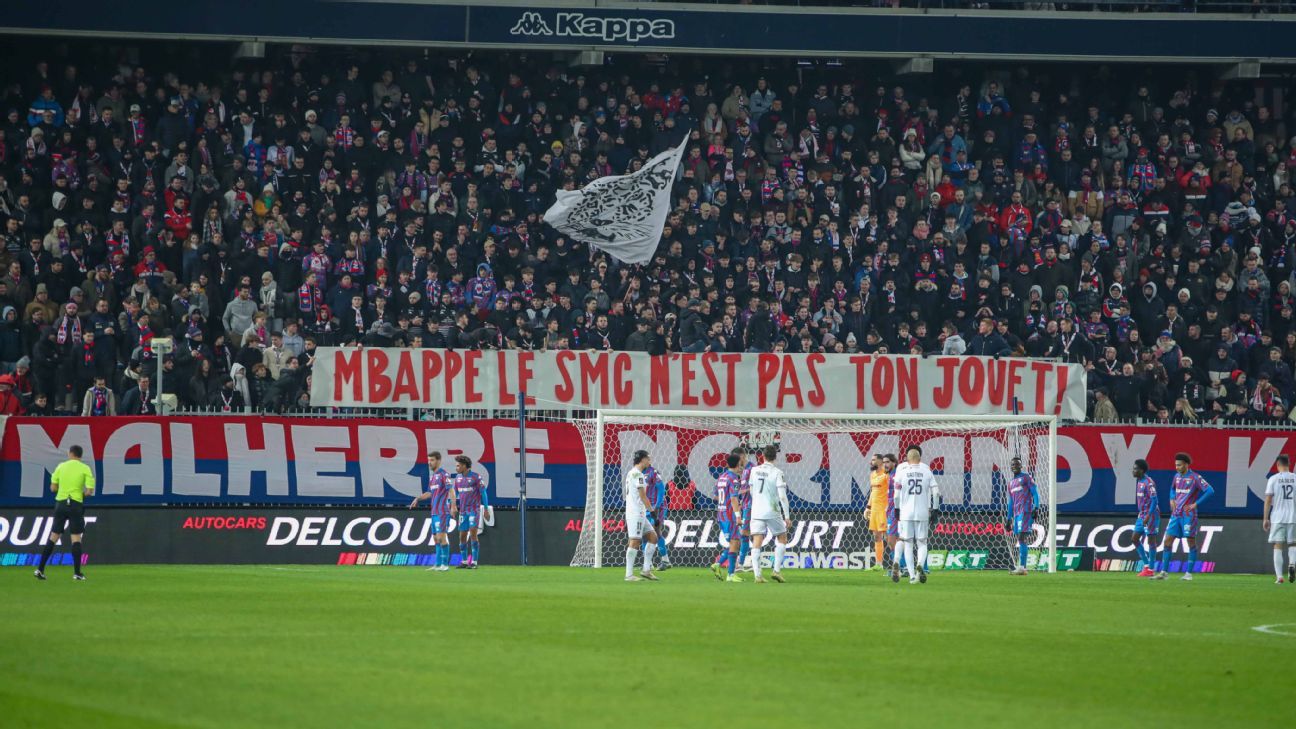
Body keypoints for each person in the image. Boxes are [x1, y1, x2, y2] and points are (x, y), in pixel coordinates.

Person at [35, 445, 95, 581]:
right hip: (75, 504)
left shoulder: (61, 467)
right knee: (76, 538)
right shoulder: (85, 468)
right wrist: (80, 495)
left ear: (70, 453)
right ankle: (77, 573)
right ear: (80, 455)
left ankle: (40, 569)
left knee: (53, 536)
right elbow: (89, 491)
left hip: (61, 504)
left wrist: (63, 491)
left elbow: (52, 488)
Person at [1152, 452, 1214, 581]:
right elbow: (1172, 489)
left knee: (1190, 542)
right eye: (1176, 465)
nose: (1177, 467)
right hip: (1176, 515)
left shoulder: (1195, 477)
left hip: (1188, 515)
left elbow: (1210, 490)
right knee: (1167, 542)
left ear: (1186, 465)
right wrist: (1171, 498)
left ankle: (1189, 574)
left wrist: (1195, 504)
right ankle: (1164, 572)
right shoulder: (1176, 477)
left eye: (1179, 465)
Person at [892, 444, 940, 584]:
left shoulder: (901, 472)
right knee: (922, 542)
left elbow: (896, 495)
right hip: (922, 511)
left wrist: (897, 509)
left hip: (906, 512)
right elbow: (936, 492)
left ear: (907, 458)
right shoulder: (927, 471)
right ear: (920, 458)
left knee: (907, 543)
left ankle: (912, 576)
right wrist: (935, 509)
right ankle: (920, 565)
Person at [747, 444, 789, 584]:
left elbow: (751, 491)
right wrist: (787, 516)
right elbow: (782, 496)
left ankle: (758, 576)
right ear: (775, 457)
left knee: (757, 541)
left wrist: (758, 503)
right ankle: (776, 571)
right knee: (782, 537)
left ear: (762, 456)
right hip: (772, 510)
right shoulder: (777, 472)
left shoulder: (754, 470)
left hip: (756, 511)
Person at [409, 450, 456, 572]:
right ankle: (437, 564)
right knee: (435, 539)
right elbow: (429, 493)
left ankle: (445, 565)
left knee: (441, 537)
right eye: (428, 460)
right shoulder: (433, 477)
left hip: (442, 511)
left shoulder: (444, 474)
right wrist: (418, 498)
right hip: (434, 512)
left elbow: (451, 490)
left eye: (432, 460)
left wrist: (453, 506)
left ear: (439, 461)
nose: (429, 462)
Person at [623, 449, 659, 582]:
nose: (650, 461)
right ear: (642, 459)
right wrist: (653, 513)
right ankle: (629, 575)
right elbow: (643, 496)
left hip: (638, 512)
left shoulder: (630, 473)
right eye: (648, 458)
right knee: (635, 541)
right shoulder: (638, 475)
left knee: (653, 537)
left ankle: (646, 570)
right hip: (636, 513)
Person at [709, 452, 744, 583]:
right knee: (735, 542)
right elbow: (734, 499)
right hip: (730, 515)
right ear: (737, 465)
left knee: (735, 543)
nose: (741, 467)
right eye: (740, 464)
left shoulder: (722, 477)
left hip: (721, 514)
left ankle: (717, 565)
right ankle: (731, 574)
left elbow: (715, 496)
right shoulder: (734, 479)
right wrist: (738, 516)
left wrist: (725, 502)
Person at [1262, 454, 1296, 584]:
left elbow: (1268, 499)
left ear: (1277, 465)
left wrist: (1265, 518)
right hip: (1293, 516)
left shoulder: (1273, 479)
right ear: (1289, 464)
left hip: (1277, 517)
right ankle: (1292, 564)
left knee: (1278, 545)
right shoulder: (1295, 478)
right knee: (1293, 543)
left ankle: (1280, 577)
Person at [451, 455, 486, 569]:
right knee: (462, 536)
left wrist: (485, 509)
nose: (456, 468)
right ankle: (465, 561)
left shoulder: (476, 477)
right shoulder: (458, 478)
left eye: (458, 466)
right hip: (463, 511)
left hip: (474, 510)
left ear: (464, 466)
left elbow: (483, 493)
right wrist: (452, 506)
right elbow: (454, 494)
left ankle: (474, 562)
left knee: (473, 534)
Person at [1006, 456, 1040, 575]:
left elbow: (1035, 493)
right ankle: (1022, 567)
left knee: (1022, 538)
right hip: (1016, 514)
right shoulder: (1010, 483)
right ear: (1011, 467)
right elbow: (1011, 502)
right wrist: (1008, 519)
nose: (1015, 466)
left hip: (1025, 511)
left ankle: (1023, 567)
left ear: (1021, 466)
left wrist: (1036, 507)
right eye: (1013, 464)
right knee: (1020, 539)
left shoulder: (1026, 477)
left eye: (1017, 464)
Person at [1132, 459, 1161, 577]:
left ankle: (1151, 569)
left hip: (1151, 515)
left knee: (1151, 541)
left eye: (1135, 469)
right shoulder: (1139, 481)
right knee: (1134, 539)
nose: (1133, 471)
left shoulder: (1149, 483)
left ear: (1142, 470)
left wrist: (1148, 516)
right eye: (1133, 468)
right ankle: (1146, 565)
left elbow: (1155, 500)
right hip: (1142, 515)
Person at [864, 454, 890, 571]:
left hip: (883, 510)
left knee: (889, 538)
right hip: (874, 510)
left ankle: (899, 563)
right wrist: (868, 507)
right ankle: (879, 564)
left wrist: (889, 506)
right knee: (876, 537)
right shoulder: (872, 475)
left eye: (873, 460)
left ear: (880, 461)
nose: (871, 461)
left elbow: (892, 491)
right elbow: (873, 492)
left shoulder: (886, 475)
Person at [644, 462, 671, 570]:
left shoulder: (654, 472)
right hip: (645, 506)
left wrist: (657, 506)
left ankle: (665, 561)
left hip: (657, 506)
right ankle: (648, 563)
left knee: (656, 531)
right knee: (644, 534)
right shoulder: (637, 473)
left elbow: (661, 489)